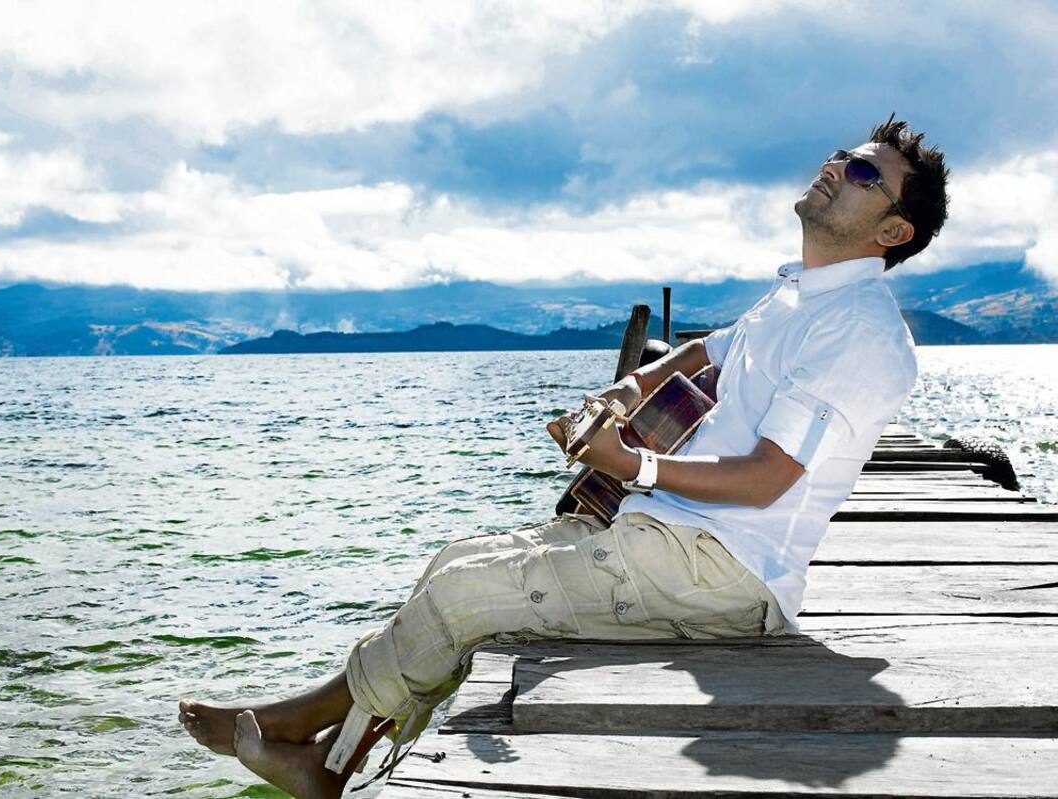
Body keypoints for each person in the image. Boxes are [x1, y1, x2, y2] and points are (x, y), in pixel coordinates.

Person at [177, 113, 950, 798]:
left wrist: (631, 463)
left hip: (726, 572)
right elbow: (695, 355)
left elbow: (768, 479)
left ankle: (298, 725)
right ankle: (331, 764)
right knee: (453, 561)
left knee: (461, 600)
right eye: (840, 154)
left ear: (891, 231)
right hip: (668, 538)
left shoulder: (858, 329)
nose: (834, 167)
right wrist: (618, 399)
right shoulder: (796, 296)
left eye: (861, 172)